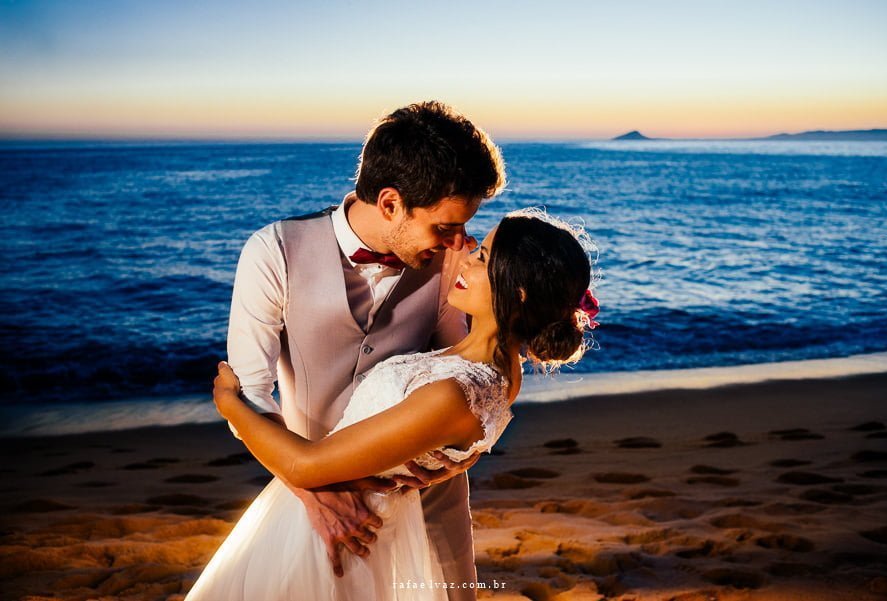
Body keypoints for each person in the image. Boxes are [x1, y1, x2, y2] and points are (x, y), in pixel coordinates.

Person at [187, 210, 598, 600]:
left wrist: (227, 402)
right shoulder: (494, 367)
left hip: (345, 536)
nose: (465, 258)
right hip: (362, 523)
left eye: (482, 257)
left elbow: (302, 466)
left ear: (519, 292)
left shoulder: (457, 392)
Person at [215, 101, 505, 600]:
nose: (462, 241)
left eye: (463, 226)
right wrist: (316, 496)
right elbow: (251, 395)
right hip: (314, 505)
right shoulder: (273, 252)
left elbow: (465, 375)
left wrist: (465, 453)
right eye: (444, 227)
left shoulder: (452, 267)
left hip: (427, 500)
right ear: (390, 203)